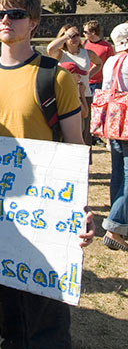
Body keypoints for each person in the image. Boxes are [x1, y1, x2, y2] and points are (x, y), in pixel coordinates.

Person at [0, 0, 95, 349]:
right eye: (0, 14)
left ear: (34, 23)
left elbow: (75, 145)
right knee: (5, 318)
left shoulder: (55, 78)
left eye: (16, 14)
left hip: (48, 213)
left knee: (46, 320)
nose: (5, 20)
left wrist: (81, 207)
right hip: (2, 215)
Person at [46, 23, 102, 146]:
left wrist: (88, 76)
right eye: (72, 36)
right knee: (67, 131)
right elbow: (50, 49)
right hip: (66, 95)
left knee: (85, 131)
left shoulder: (87, 53)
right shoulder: (62, 54)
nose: (75, 38)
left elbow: (99, 63)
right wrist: (67, 35)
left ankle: (86, 161)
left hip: (84, 94)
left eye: (77, 35)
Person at [100, 23, 128, 251]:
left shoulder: (111, 62)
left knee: (118, 171)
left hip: (113, 121)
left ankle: (117, 221)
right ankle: (114, 225)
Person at [83, 20, 114, 94]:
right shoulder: (83, 44)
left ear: (93, 32)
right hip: (84, 82)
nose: (83, 34)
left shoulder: (107, 47)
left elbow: (111, 66)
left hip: (99, 83)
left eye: (85, 32)